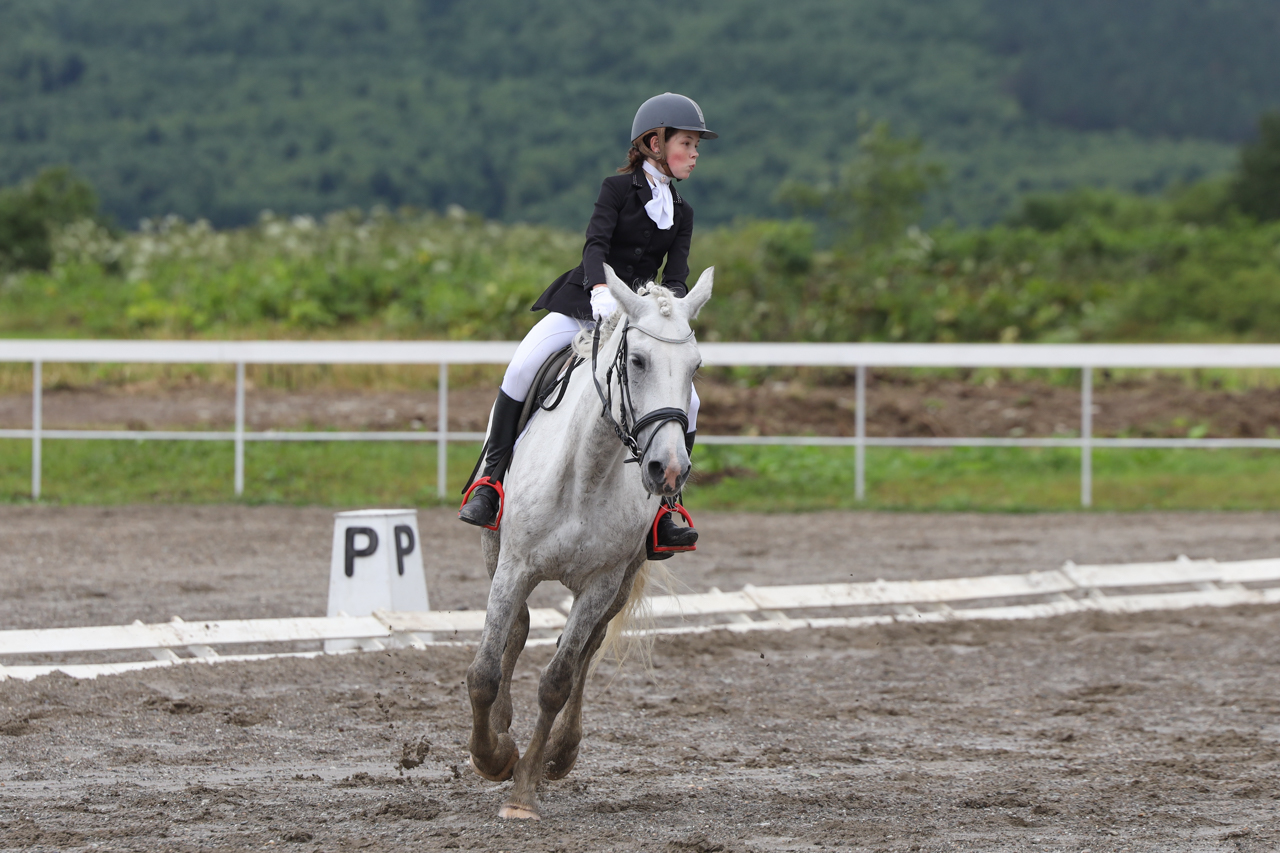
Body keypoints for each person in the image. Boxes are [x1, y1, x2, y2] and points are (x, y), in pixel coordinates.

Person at [458, 93, 715, 558]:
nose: (695, 154)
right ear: (654, 142)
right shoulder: (616, 190)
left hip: (635, 319)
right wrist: (600, 290)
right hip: (585, 303)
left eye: (697, 146)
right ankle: (492, 481)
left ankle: (666, 509)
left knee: (690, 401)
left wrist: (668, 313)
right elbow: (595, 245)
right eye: (688, 143)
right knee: (521, 368)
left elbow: (675, 277)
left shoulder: (683, 212)